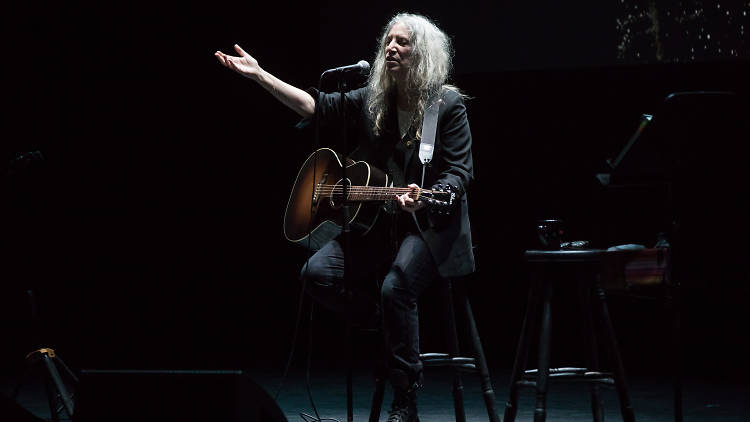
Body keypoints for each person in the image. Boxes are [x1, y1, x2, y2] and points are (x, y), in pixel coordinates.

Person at [215, 13, 474, 422]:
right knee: (316, 274)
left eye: (402, 43)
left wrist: (427, 199)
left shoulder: (446, 105)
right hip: (377, 225)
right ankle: (383, 327)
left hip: (427, 227)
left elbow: (458, 174)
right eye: (388, 40)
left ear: (421, 54)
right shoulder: (375, 99)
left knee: (396, 288)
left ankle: (405, 397)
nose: (390, 47)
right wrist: (260, 76)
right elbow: (315, 105)